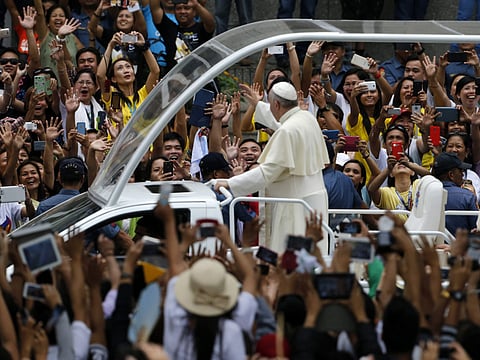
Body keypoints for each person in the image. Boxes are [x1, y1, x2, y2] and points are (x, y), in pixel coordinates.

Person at [215, 82, 329, 253]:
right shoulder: (306, 117)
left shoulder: (288, 130)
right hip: (314, 203)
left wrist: (230, 184)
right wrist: (258, 105)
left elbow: (265, 174)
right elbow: (284, 125)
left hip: (294, 208)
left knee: (290, 260)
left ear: (275, 104)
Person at [432, 152, 477, 235]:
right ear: (451, 175)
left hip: (429, 246)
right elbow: (476, 228)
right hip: (461, 246)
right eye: (460, 171)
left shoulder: (424, 194)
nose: (462, 174)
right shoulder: (467, 196)